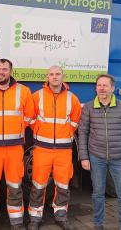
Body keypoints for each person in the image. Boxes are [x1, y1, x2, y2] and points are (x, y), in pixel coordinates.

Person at [0, 58, 36, 230]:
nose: (1, 72)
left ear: (11, 71)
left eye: (4, 69)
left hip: (15, 147)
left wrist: (17, 127)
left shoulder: (23, 91)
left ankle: (17, 222)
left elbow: (30, 116)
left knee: (15, 186)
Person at [78, 74, 121, 230]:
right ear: (95, 88)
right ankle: (98, 225)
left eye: (105, 85)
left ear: (113, 88)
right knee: (98, 194)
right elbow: (83, 132)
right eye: (99, 85)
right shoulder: (89, 107)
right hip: (96, 157)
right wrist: (84, 157)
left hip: (119, 159)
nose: (102, 88)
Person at [27, 66, 82, 230]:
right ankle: (35, 218)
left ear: (63, 77)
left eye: (58, 74)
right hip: (42, 149)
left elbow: (75, 121)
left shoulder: (72, 98)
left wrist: (66, 132)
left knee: (63, 184)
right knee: (38, 184)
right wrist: (39, 130)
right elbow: (29, 118)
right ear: (47, 77)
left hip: (64, 151)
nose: (55, 77)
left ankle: (61, 215)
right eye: (52, 74)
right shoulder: (37, 96)